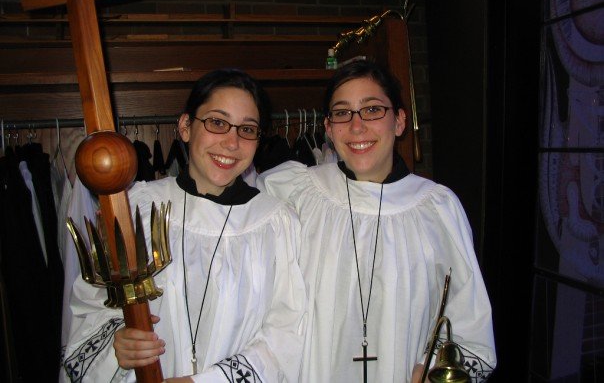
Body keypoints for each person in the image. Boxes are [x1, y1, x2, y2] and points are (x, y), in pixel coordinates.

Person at [257, 60, 497, 382]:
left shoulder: (437, 209)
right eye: (342, 113)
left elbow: (469, 324)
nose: (357, 127)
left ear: (399, 121)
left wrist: (433, 372)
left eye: (372, 110)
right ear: (328, 128)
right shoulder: (293, 192)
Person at [61, 69, 307, 382]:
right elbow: (89, 310)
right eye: (217, 123)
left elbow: (287, 333)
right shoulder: (134, 210)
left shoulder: (277, 223)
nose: (231, 143)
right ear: (186, 126)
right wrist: (117, 345)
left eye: (247, 129)